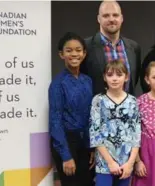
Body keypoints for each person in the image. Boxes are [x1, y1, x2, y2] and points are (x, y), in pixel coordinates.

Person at [49, 32, 94, 186]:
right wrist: (66, 156)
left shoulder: (87, 81)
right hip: (67, 143)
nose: (74, 54)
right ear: (61, 55)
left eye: (78, 50)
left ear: (84, 53)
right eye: (69, 51)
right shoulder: (58, 84)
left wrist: (91, 148)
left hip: (85, 143)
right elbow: (55, 121)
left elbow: (90, 116)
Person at [89, 60, 141, 186]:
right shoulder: (98, 100)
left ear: (126, 77)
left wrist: (130, 163)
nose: (115, 79)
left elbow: (136, 134)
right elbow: (95, 134)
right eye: (110, 75)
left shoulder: (133, 101)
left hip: (126, 162)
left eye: (119, 75)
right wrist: (110, 162)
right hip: (104, 162)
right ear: (104, 77)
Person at [81, 0, 141, 96]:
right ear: (98, 19)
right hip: (96, 108)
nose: (111, 19)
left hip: (127, 108)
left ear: (121, 18)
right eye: (106, 16)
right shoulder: (86, 46)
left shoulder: (134, 47)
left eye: (115, 15)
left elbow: (135, 79)